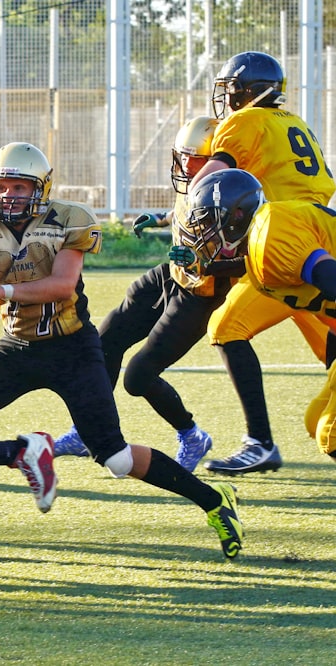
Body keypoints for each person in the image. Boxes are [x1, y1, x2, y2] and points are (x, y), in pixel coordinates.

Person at [0, 142, 244, 561]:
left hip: (72, 349)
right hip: (16, 348)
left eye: (19, 186)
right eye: (1, 186)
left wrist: (1, 290)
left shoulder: (68, 220)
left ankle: (214, 500)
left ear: (41, 188)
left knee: (116, 457)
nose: (9, 195)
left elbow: (62, 285)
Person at [52, 116, 228, 472]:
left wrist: (205, 261)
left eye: (190, 157)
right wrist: (162, 218)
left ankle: (192, 434)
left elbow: (247, 257)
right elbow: (189, 210)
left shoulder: (233, 194)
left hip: (202, 292)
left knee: (138, 377)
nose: (182, 164)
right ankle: (87, 431)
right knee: (103, 341)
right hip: (172, 276)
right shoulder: (203, 185)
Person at [189, 51, 335, 475]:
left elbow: (214, 179)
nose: (228, 100)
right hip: (314, 230)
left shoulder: (244, 122)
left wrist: (182, 213)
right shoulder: (293, 122)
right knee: (327, 335)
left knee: (226, 327)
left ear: (246, 91)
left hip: (280, 238)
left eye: (231, 90)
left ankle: (259, 442)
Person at [180, 168, 336, 463]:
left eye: (210, 221)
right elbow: (254, 264)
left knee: (330, 434)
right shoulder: (262, 238)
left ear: (237, 214)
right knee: (316, 422)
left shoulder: (273, 233)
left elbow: (331, 278)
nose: (206, 232)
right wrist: (206, 266)